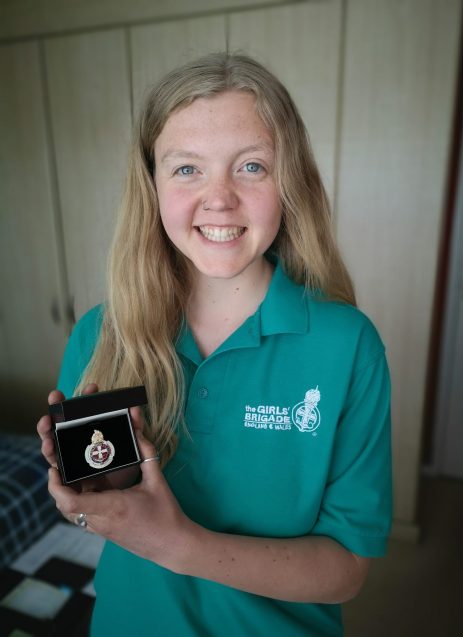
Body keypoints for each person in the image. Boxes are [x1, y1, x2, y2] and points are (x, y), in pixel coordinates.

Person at [37, 52, 392, 636]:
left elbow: (348, 568)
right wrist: (91, 496)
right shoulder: (100, 334)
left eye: (251, 166)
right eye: (186, 169)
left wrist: (181, 545)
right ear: (151, 184)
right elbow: (88, 509)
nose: (219, 198)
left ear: (289, 181)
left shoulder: (348, 346)